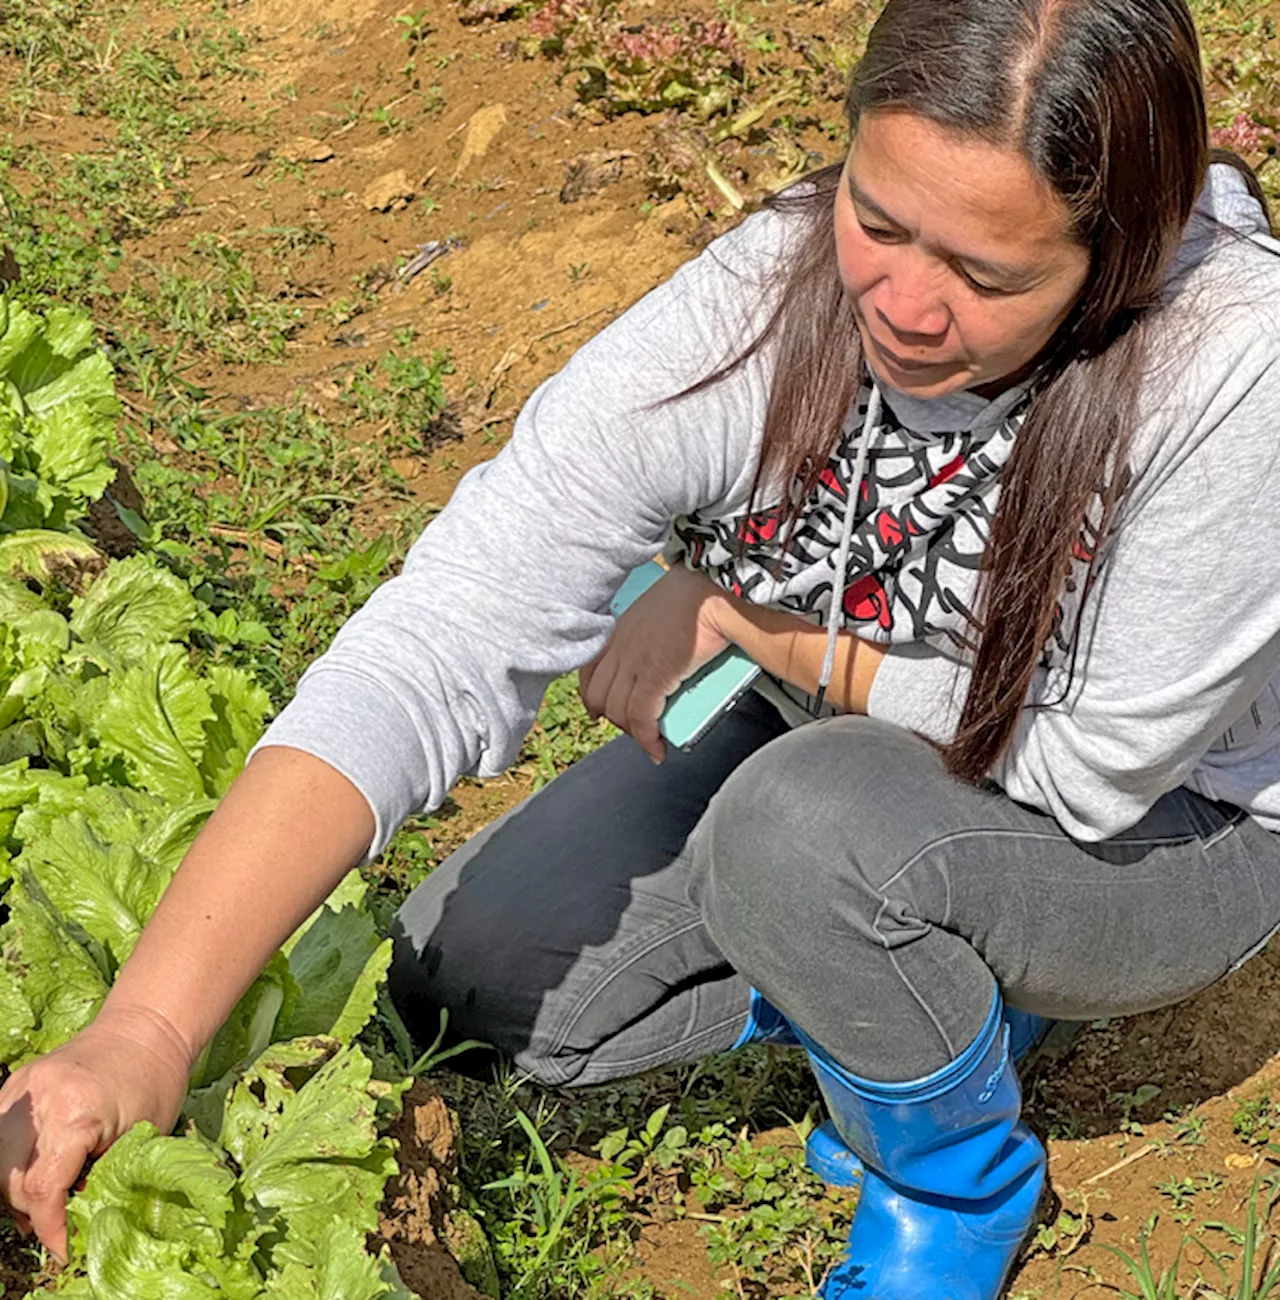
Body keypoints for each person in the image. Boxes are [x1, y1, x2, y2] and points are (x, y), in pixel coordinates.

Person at [4, 0, 1280, 1295]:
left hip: (1163, 831)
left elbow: (1086, 770)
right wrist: (147, 1031)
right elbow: (441, 636)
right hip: (877, 746)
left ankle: (951, 1169)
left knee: (799, 833)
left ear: (1117, 255)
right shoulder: (775, 294)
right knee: (478, 976)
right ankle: (897, 986)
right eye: (876, 219)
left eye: (985, 275)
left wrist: (754, 622)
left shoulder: (1234, 360)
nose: (900, 303)